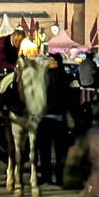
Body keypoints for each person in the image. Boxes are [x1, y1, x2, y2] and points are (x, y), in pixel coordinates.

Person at [38, 54, 75, 185]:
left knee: (44, 150)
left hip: (45, 117)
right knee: (60, 151)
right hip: (60, 117)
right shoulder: (65, 77)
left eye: (51, 60)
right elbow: (70, 98)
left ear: (55, 62)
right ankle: (59, 177)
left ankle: (46, 176)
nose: (49, 62)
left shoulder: (43, 77)